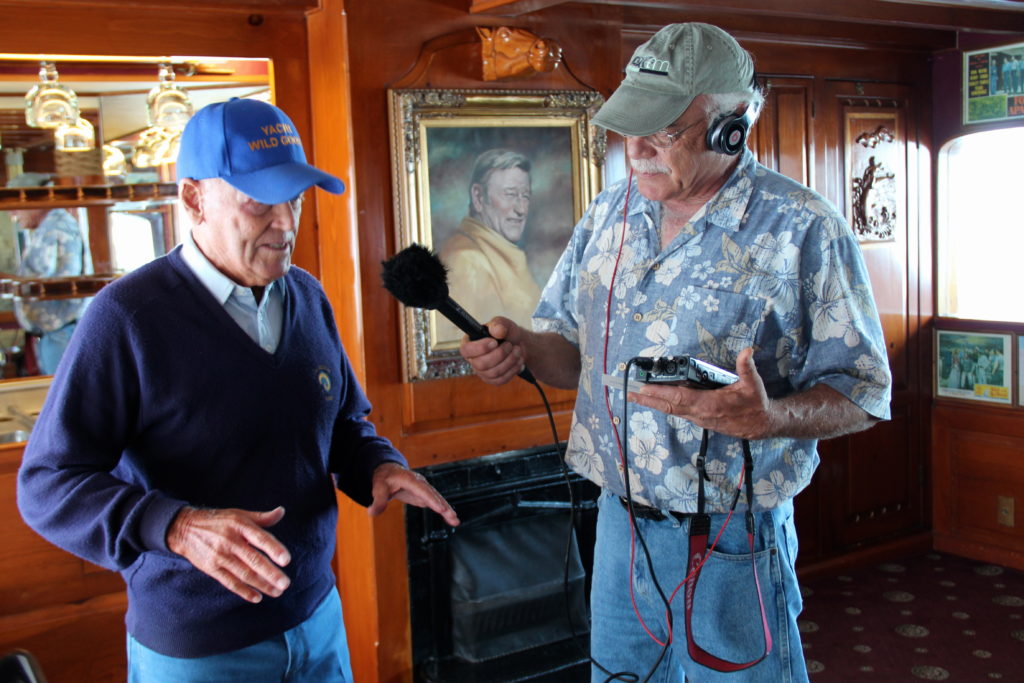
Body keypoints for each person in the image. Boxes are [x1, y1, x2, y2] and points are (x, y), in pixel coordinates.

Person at [458, 23, 891, 682]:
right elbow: (572, 354)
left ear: (733, 125)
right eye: (631, 125)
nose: (638, 149)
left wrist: (770, 419)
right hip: (620, 529)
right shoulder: (607, 214)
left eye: (664, 129)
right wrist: (522, 351)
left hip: (732, 539)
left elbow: (863, 391)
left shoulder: (805, 229)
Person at [17, 98, 459, 683]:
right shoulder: (125, 317)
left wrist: (376, 465)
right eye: (259, 203)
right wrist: (174, 525)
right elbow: (47, 485)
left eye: (294, 200)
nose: (286, 224)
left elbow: (345, 424)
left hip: (318, 619)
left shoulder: (306, 296)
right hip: (198, 649)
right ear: (194, 199)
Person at [436, 148, 541, 341]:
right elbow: (478, 354)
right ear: (478, 197)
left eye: (525, 196)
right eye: (510, 194)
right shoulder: (467, 261)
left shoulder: (502, 253)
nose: (521, 209)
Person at [6, 172, 90, 374]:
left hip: (62, 332)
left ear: (34, 201)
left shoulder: (57, 227)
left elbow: (53, 282)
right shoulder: (49, 226)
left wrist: (10, 282)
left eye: (15, 206)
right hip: (56, 332)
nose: (13, 215)